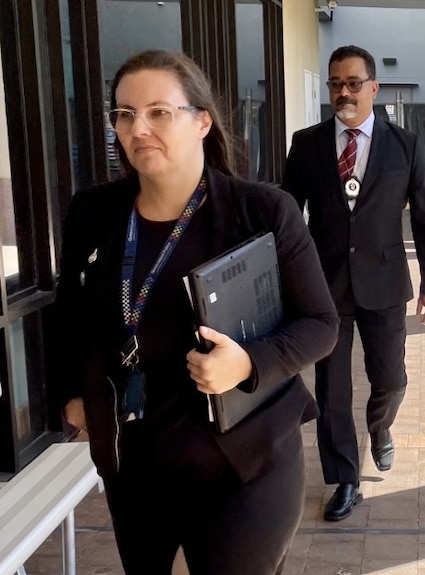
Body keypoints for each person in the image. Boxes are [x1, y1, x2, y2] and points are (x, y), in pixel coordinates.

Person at [50, 49, 339, 574]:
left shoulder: (261, 211)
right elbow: (68, 316)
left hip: (244, 464)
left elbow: (321, 325)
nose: (139, 128)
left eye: (160, 112)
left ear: (202, 121)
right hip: (134, 459)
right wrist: (71, 395)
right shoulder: (94, 214)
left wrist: (247, 362)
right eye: (125, 113)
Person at [281, 45, 425, 521]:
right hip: (324, 287)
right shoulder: (306, 144)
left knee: (390, 379)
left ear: (374, 87)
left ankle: (381, 427)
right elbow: (288, 217)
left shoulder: (405, 145)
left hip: (385, 282)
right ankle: (345, 478)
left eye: (354, 83)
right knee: (331, 387)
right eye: (336, 84)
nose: (344, 92)